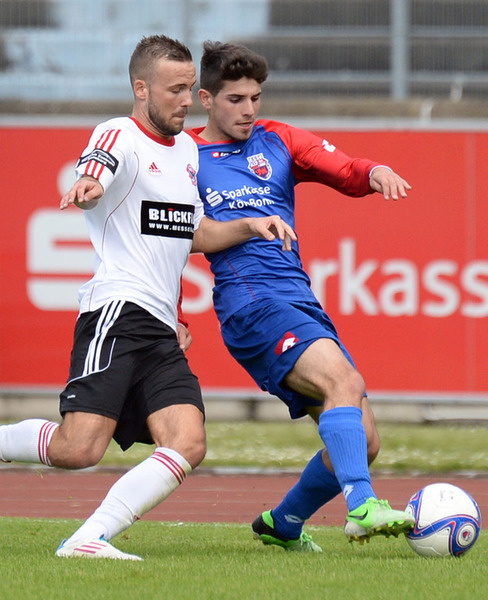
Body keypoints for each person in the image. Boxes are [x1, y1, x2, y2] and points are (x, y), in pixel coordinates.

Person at [0, 35, 296, 561]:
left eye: (190, 88)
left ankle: (89, 538)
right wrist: (89, 183)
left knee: (187, 440)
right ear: (141, 89)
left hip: (159, 325)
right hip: (118, 311)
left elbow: (192, 233)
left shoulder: (186, 152)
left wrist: (249, 225)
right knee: (79, 448)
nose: (186, 100)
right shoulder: (119, 133)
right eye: (174, 90)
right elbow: (97, 165)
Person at [188, 41, 414, 552]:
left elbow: (344, 170)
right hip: (251, 303)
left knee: (364, 440)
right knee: (344, 381)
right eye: (235, 99)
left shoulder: (278, 140)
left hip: (297, 298)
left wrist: (373, 171)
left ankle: (283, 523)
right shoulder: (184, 158)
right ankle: (363, 507)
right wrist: (248, 225)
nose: (248, 110)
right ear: (206, 99)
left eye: (256, 98)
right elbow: (187, 238)